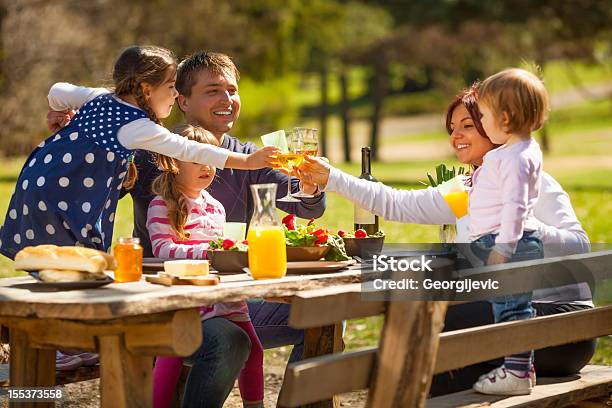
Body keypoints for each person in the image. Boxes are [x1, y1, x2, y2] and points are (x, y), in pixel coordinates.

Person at [295, 82, 595, 396]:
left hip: (561, 329)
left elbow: (580, 244)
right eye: (452, 128)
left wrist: (524, 228)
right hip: (510, 331)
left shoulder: (531, 181)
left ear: (496, 126)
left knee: (431, 325)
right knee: (434, 348)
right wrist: (331, 178)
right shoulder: (466, 189)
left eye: (468, 125)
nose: (456, 136)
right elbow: (397, 203)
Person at [0, 45, 276, 260]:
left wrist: (60, 108)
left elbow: (57, 90)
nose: (174, 96)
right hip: (71, 203)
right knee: (73, 264)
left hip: (39, 183)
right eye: (171, 88)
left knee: (49, 263)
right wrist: (248, 161)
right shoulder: (137, 126)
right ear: (146, 89)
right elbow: (187, 148)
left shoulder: (100, 98)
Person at [149, 124, 264, 408]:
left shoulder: (216, 207)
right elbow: (162, 250)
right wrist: (209, 252)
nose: (207, 167)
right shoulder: (162, 205)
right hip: (185, 302)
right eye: (197, 159)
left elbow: (224, 251)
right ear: (172, 162)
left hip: (225, 299)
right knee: (171, 355)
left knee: (256, 352)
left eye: (212, 159)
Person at [466, 68, 550, 395]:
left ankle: (515, 373)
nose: (481, 122)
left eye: (483, 115)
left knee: (512, 308)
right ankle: (521, 367)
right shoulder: (515, 151)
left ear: (505, 117)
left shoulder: (516, 157)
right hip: (508, 241)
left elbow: (515, 206)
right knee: (508, 305)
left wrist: (503, 247)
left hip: (510, 242)